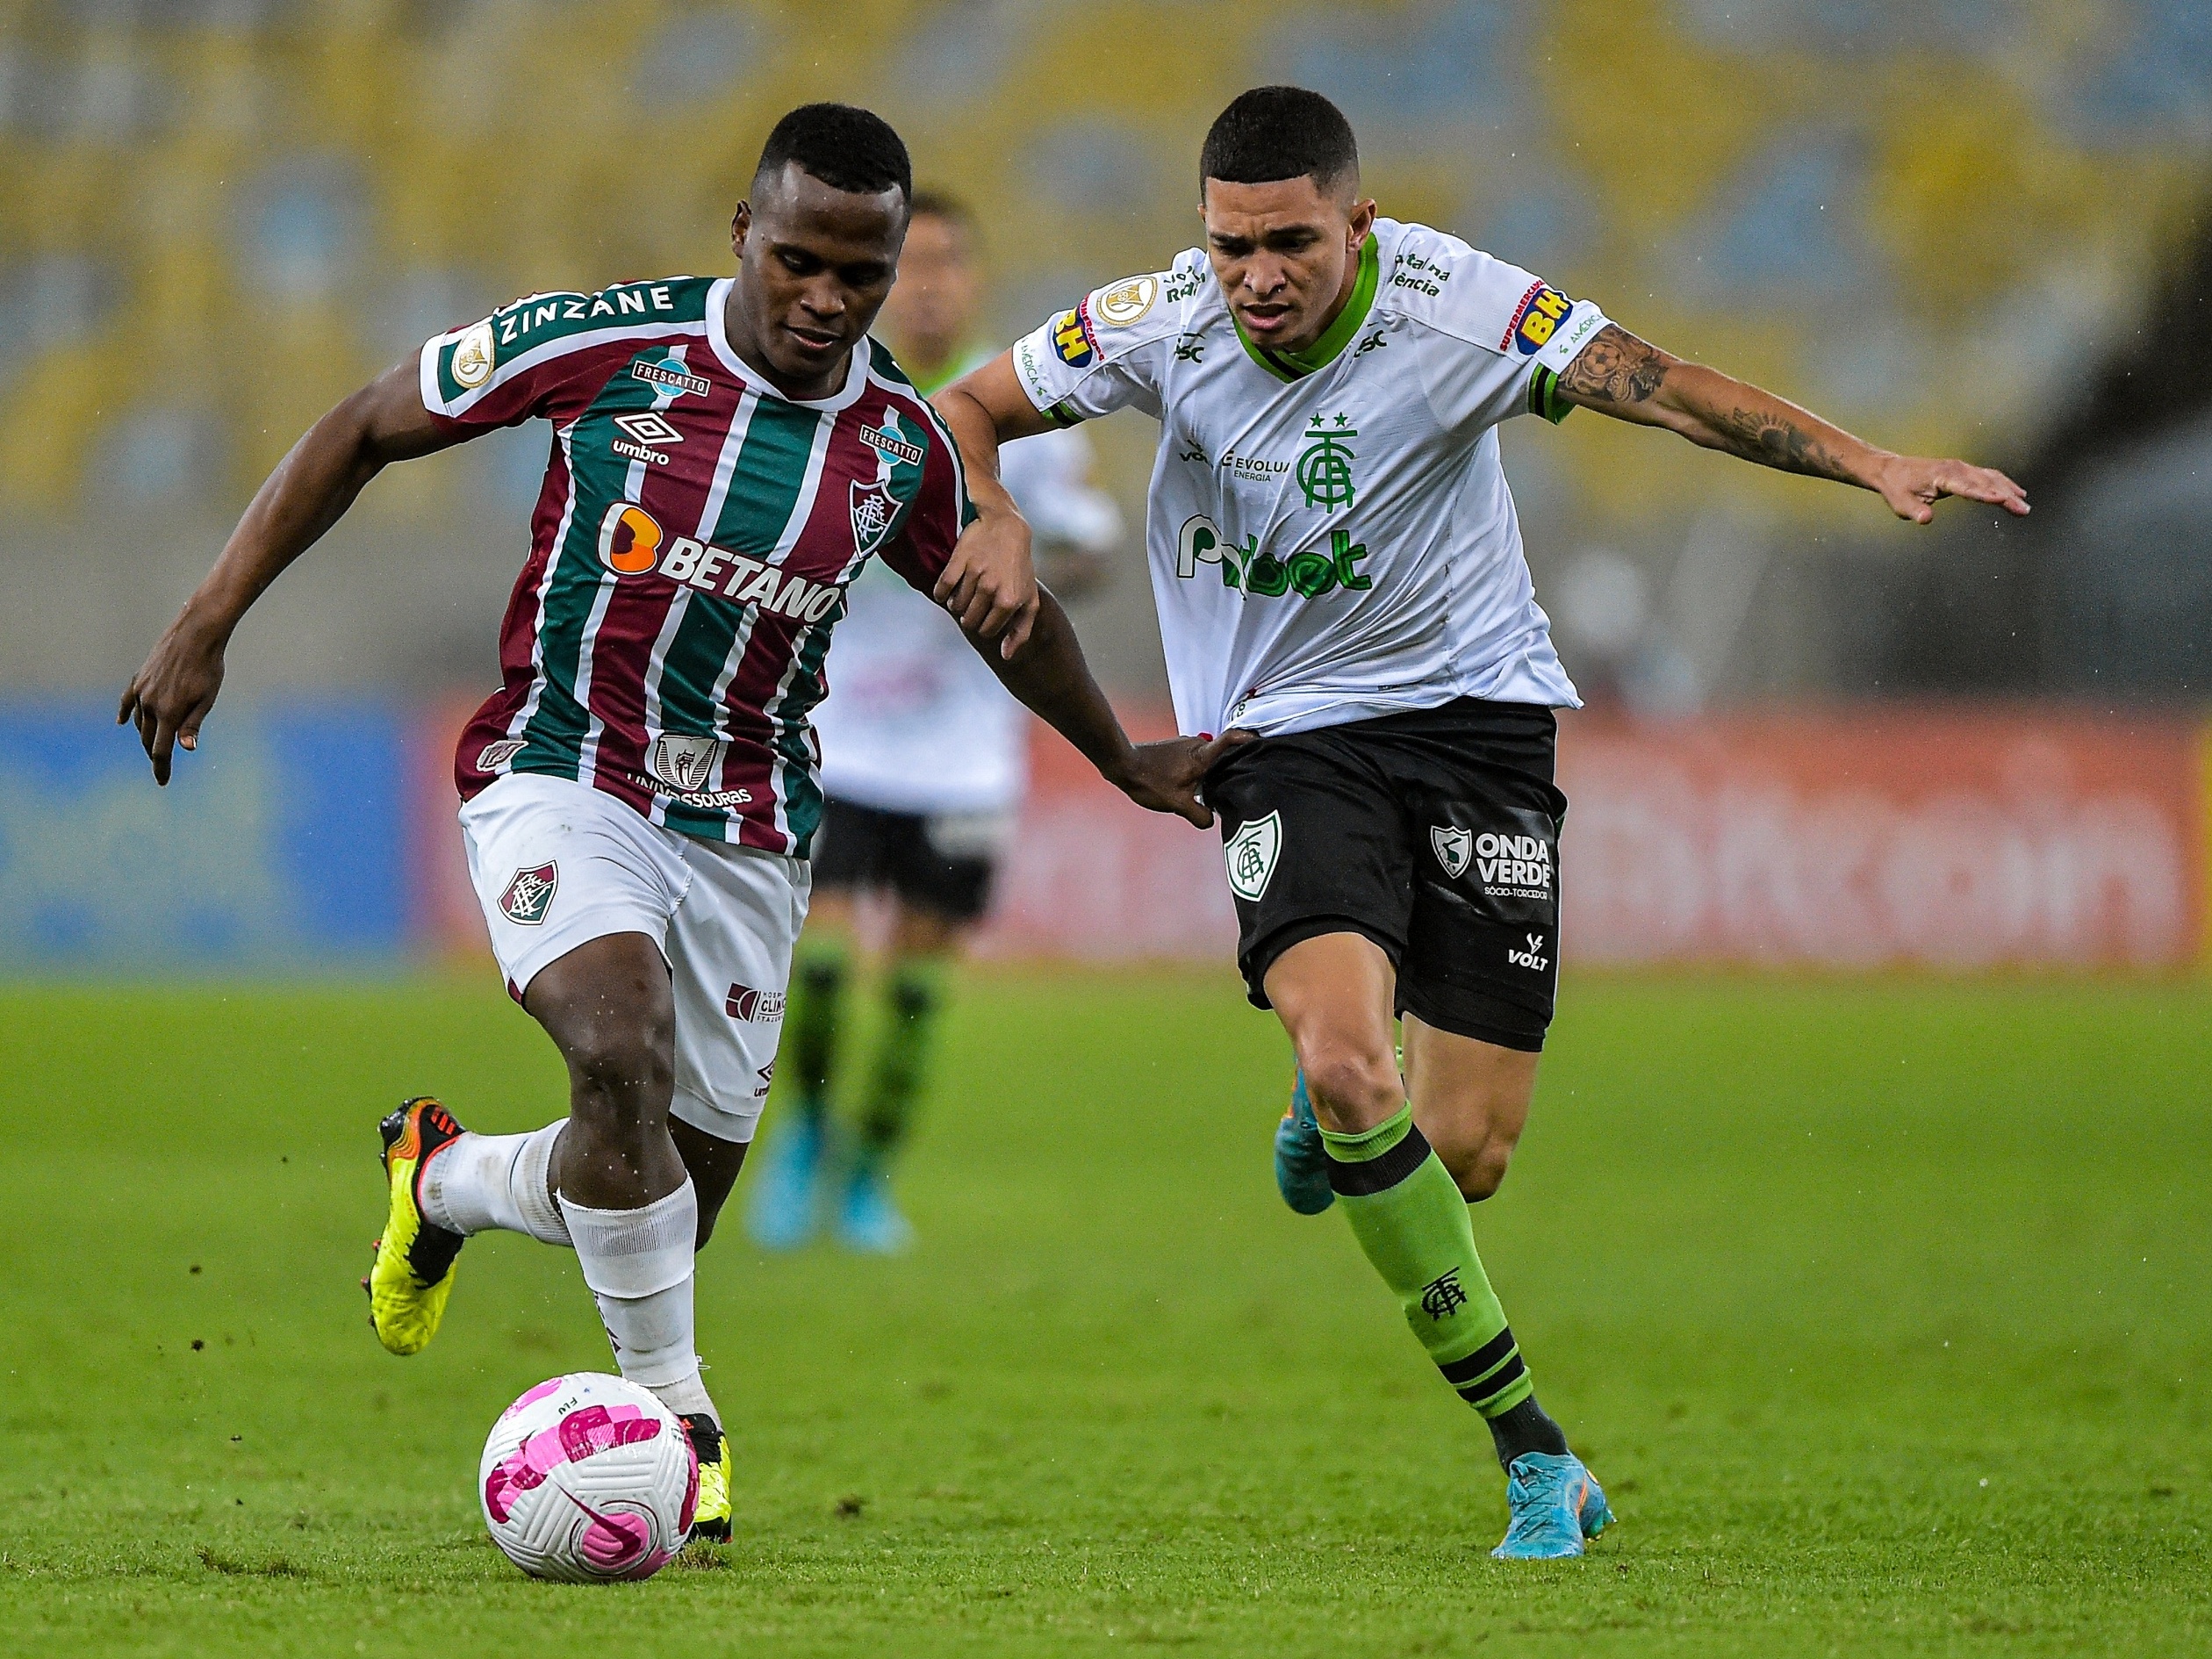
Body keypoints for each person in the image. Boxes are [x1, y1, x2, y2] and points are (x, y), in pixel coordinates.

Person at [933, 86, 2029, 1559]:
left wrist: (1871, 463)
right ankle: (1533, 1452)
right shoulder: (1160, 318)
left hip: (1478, 725)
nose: (1257, 278)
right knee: (1347, 1062)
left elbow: (1666, 383)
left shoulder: (1459, 307)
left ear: (1359, 224)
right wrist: (989, 509)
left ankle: (1337, 1110)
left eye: (1291, 245)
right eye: (1232, 244)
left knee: (1469, 1152)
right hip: (1280, 738)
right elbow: (968, 407)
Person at [117, 104, 1222, 1548]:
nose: (825, 299)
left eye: (859, 275)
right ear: (743, 237)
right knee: (616, 1039)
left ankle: (442, 1177)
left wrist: (1126, 757)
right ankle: (681, 1421)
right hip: (562, 770)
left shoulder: (893, 444)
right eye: (798, 262)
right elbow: (366, 423)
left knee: (657, 1193)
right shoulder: (611, 347)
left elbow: (1010, 622)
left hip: (751, 834)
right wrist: (206, 623)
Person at [747, 190, 1124, 1254]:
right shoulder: (830, 387)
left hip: (964, 754)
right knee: (818, 967)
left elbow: (1092, 545)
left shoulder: (1019, 409)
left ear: (974, 278)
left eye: (950, 262)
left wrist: (1043, 554)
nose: (930, 283)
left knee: (914, 990)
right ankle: (806, 1145)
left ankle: (867, 1179)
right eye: (911, 264)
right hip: (836, 730)